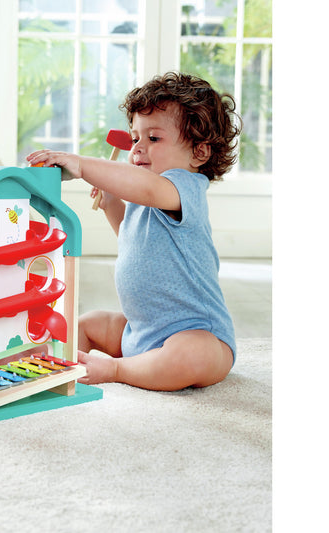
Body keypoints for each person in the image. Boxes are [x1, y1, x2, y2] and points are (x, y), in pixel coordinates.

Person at [26, 71, 242, 391]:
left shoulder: (184, 187)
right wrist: (112, 203)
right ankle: (44, 361)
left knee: (191, 355)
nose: (138, 148)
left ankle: (118, 369)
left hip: (196, 333)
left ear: (199, 152)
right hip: (141, 330)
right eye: (135, 138)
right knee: (87, 323)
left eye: (153, 139)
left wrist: (83, 166)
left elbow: (146, 188)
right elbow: (134, 242)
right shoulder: (149, 196)